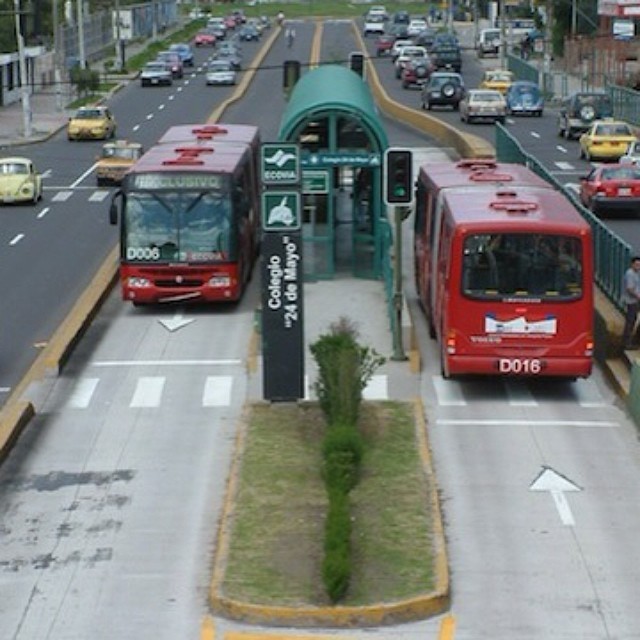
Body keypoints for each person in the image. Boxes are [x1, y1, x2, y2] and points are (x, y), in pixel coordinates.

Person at [622, 256, 640, 349]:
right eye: (636, 265)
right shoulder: (630, 274)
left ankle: (630, 342)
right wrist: (638, 296)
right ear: (632, 264)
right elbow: (630, 288)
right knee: (630, 322)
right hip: (631, 301)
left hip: (634, 301)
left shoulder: (636, 273)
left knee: (633, 320)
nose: (638, 267)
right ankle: (627, 343)